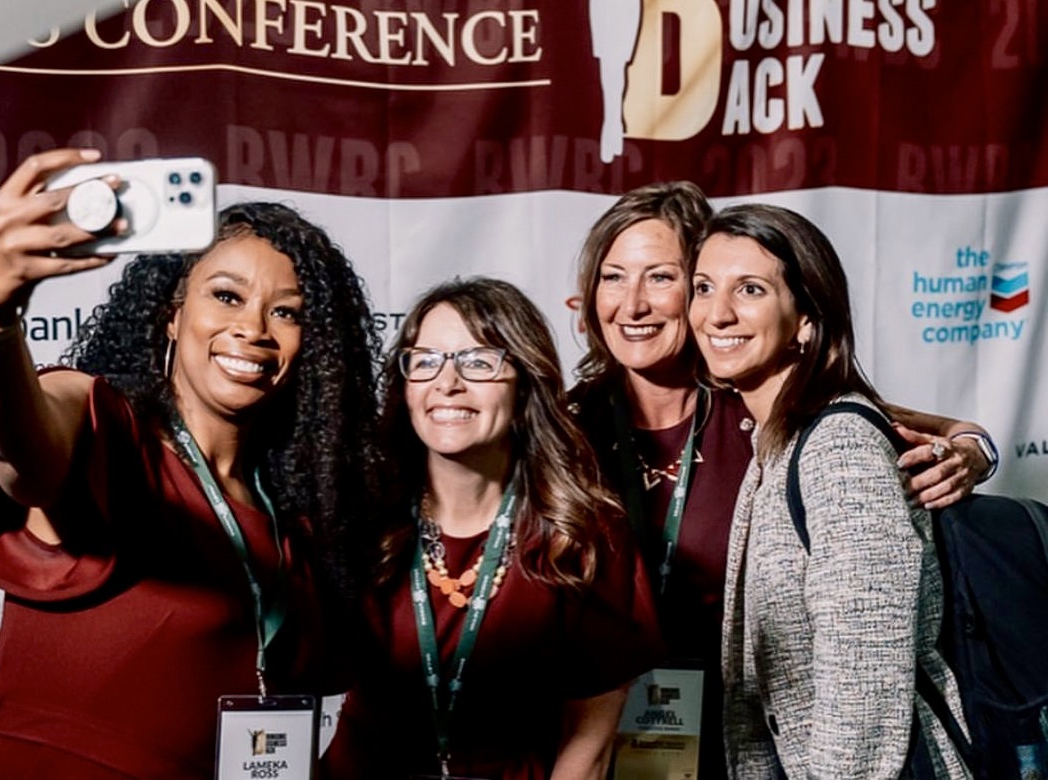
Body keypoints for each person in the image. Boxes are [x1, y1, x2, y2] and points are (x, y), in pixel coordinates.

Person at [0, 148, 382, 779]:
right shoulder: (105, 428)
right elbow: (17, 443)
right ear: (172, 317)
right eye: (226, 296)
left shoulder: (296, 523)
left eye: (286, 312)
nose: (253, 328)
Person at [566, 182, 995, 778]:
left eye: (662, 277)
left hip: (753, 732)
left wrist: (974, 448)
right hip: (609, 732)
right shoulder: (565, 428)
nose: (633, 303)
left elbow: (877, 424)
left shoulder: (763, 405)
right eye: (613, 277)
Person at [320, 277, 660, 779]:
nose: (448, 383)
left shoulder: (583, 535)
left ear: (525, 383)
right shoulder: (359, 524)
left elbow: (588, 744)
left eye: (479, 362)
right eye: (426, 360)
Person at [689, 202, 971, 778]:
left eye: (749, 290)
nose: (716, 314)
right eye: (703, 287)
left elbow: (864, 670)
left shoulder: (838, 445)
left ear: (807, 318)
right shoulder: (778, 439)